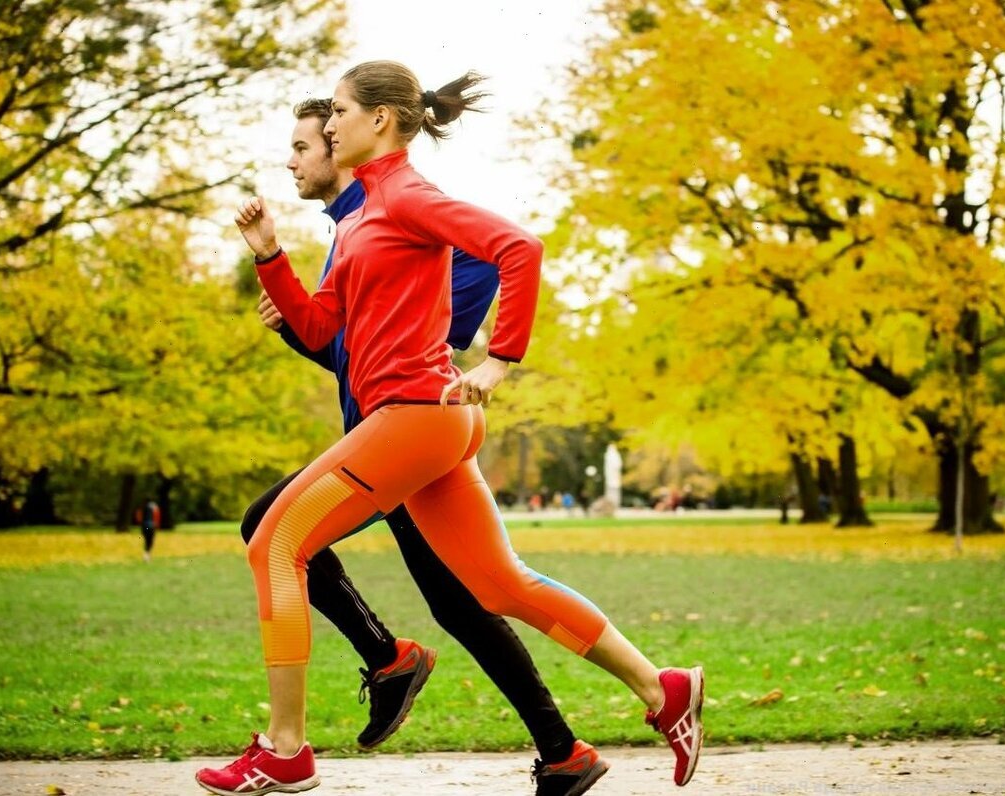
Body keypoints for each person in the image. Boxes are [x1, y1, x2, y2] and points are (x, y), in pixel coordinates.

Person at [198, 61, 704, 795]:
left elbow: (518, 249)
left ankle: (284, 748)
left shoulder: (407, 195)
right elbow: (319, 325)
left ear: (381, 120)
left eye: (338, 111)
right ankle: (663, 691)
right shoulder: (363, 214)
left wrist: (500, 360)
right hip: (425, 422)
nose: (328, 124)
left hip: (415, 414)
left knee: (275, 543)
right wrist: (271, 257)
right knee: (499, 585)